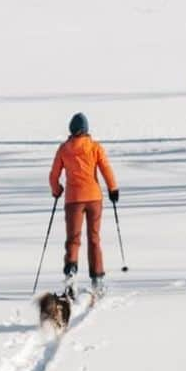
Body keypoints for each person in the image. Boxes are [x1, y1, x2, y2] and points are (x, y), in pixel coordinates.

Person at [49, 113, 119, 292]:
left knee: (73, 239)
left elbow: (53, 175)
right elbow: (106, 169)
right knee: (94, 238)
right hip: (94, 198)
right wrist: (113, 189)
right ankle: (97, 279)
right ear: (87, 129)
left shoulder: (64, 149)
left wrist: (56, 190)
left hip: (73, 200)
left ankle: (71, 274)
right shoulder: (95, 147)